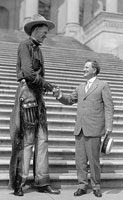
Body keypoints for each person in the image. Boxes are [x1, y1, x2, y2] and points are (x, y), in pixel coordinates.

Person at [9, 14, 60, 196]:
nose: (45, 36)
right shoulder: (25, 45)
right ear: (36, 30)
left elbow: (36, 76)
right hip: (28, 96)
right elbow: (29, 74)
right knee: (27, 141)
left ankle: (42, 181)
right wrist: (48, 85)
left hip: (37, 97)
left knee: (42, 140)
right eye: (44, 33)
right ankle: (19, 183)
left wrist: (45, 87)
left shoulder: (38, 49)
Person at [53, 59, 114, 197]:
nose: (83, 69)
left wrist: (108, 126)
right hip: (80, 129)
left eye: (86, 67)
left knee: (93, 160)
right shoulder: (80, 87)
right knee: (80, 160)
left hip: (94, 129)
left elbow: (109, 107)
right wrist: (59, 95)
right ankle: (82, 185)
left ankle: (96, 186)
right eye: (83, 67)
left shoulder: (103, 85)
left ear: (94, 70)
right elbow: (69, 100)